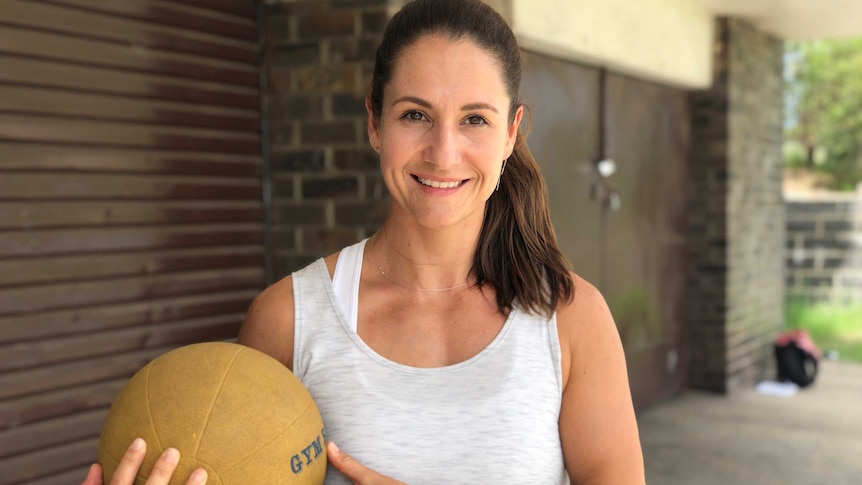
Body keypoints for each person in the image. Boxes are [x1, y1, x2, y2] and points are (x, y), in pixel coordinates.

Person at [83, 0, 644, 483]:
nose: (443, 153)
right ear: (375, 123)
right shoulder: (289, 319)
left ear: (511, 133)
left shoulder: (569, 319)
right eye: (415, 114)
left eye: (474, 119)